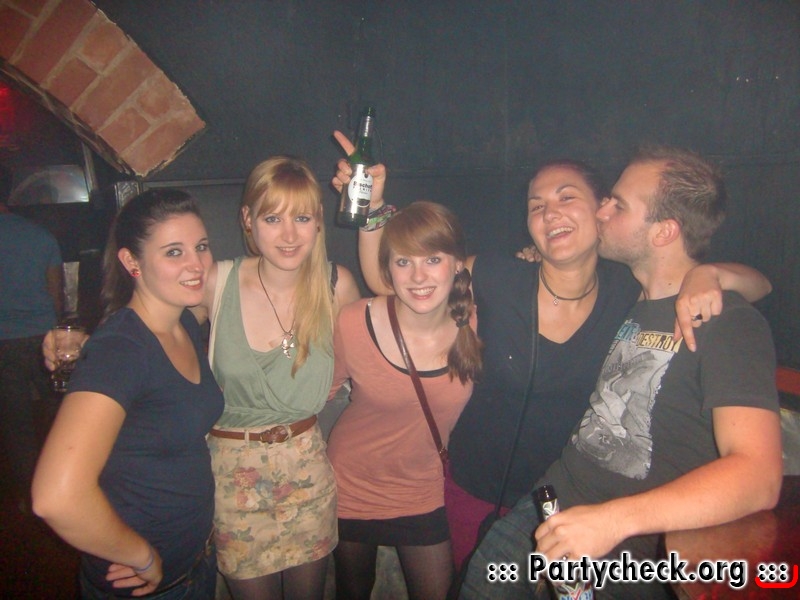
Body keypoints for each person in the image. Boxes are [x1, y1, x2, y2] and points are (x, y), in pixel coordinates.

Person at [330, 133, 772, 572]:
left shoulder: (629, 291)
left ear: (601, 212)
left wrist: (710, 274)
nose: (549, 212)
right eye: (536, 205)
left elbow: (759, 285)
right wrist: (373, 207)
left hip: (564, 505)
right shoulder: (497, 276)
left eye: (566, 197)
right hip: (471, 488)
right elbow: (394, 283)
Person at [459, 146, 782, 599]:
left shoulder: (725, 321)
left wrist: (611, 522)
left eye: (618, 205)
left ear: (664, 231)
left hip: (632, 550)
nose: (603, 211)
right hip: (547, 510)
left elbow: (759, 477)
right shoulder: (630, 296)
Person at [32, 189, 224, 598]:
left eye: (201, 246)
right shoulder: (121, 349)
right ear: (131, 262)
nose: (196, 264)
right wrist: (139, 554)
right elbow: (55, 497)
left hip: (195, 562)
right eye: (174, 252)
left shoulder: (183, 322)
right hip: (147, 584)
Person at [202, 156, 360, 600]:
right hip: (232, 478)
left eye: (302, 218)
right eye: (273, 218)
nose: (289, 235)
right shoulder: (215, 281)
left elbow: (393, 318)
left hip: (306, 468)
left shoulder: (336, 284)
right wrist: (90, 341)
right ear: (247, 220)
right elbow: (151, 328)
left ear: (319, 221)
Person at [327, 201, 483, 600]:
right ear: (388, 270)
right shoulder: (355, 321)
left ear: (458, 264)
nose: (418, 276)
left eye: (433, 259)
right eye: (403, 262)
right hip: (351, 485)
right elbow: (318, 393)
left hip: (422, 490)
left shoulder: (476, 322)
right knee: (352, 591)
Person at [0, 171, 63, 510]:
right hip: (43, 338)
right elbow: (56, 295)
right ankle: (64, 483)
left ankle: (29, 496)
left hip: (3, 342)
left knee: (16, 422)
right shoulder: (40, 236)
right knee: (58, 415)